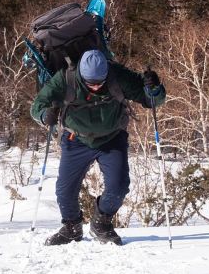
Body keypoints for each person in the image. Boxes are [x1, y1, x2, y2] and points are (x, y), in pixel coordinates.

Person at [31, 49, 166, 246]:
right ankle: (71, 228)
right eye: (90, 83)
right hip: (76, 139)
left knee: (119, 186)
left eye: (99, 82)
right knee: (65, 191)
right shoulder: (65, 78)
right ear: (81, 75)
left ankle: (101, 223)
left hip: (112, 138)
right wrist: (45, 115)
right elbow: (37, 105)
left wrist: (154, 88)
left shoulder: (117, 75)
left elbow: (151, 100)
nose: (95, 87)